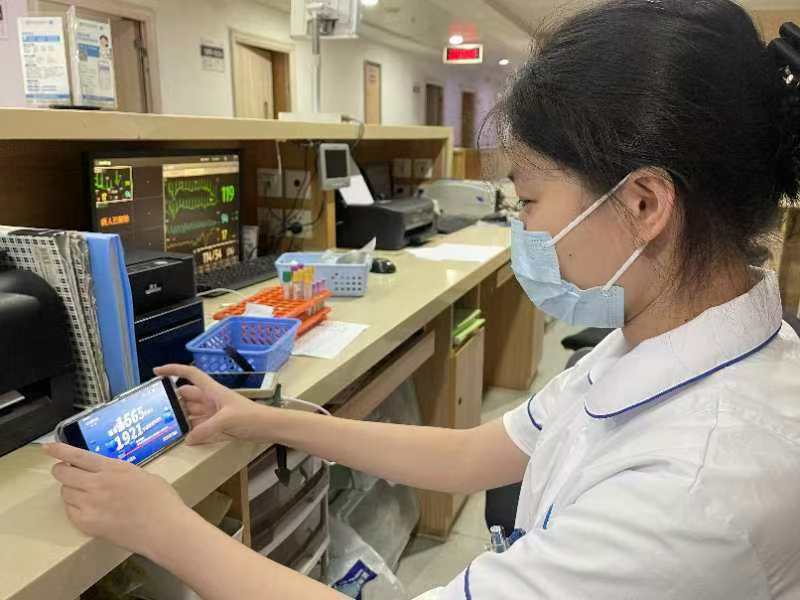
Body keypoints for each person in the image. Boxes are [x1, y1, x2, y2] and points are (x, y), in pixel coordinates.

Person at [46, 0, 800, 597]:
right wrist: (262, 417)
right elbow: (477, 453)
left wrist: (161, 526)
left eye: (529, 200)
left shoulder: (697, 491)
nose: (524, 228)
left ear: (644, 205)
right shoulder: (665, 336)